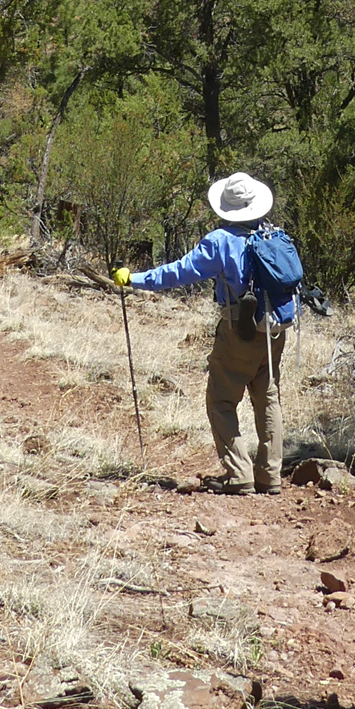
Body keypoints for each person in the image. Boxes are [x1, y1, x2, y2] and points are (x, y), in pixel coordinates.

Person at [112, 170, 291, 495]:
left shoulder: (221, 241)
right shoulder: (272, 234)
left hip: (240, 329)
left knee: (221, 399)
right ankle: (270, 475)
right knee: (268, 397)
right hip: (276, 329)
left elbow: (179, 273)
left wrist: (134, 279)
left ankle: (239, 474)